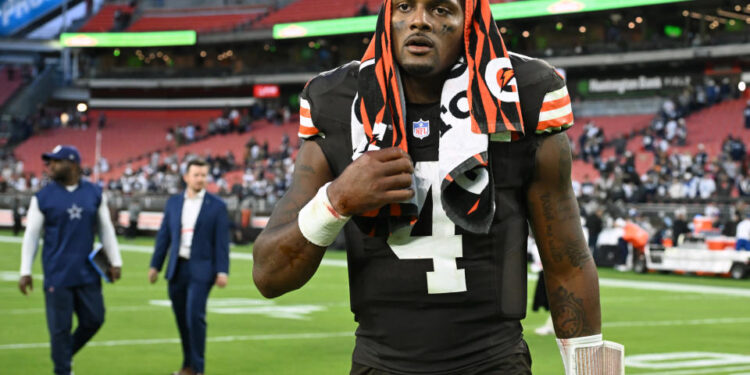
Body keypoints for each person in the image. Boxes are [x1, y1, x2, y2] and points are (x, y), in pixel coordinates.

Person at [253, 0, 620, 373]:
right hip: (380, 364)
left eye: (441, 9)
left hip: (493, 362)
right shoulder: (336, 101)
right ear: (387, 17)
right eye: (405, 7)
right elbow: (269, 276)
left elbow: (568, 263)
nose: (419, 21)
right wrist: (336, 200)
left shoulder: (521, 93)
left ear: (469, 21)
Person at [18, 145, 122, 375]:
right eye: (49, 162)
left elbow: (106, 229)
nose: (50, 166)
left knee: (95, 319)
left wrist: (115, 261)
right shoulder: (43, 197)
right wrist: (25, 270)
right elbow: (32, 235)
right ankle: (63, 369)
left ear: (73, 164)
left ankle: (64, 355)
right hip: (58, 274)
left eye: (56, 161)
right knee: (59, 330)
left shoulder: (94, 193)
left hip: (88, 272)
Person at [149, 158, 230, 375]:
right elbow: (164, 236)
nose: (200, 179)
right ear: (186, 177)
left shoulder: (217, 206)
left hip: (202, 270)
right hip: (177, 269)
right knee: (182, 320)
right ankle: (187, 365)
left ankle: (198, 369)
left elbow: (222, 243)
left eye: (204, 175)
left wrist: (222, 271)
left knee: (195, 317)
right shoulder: (173, 203)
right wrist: (155, 266)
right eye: (196, 174)